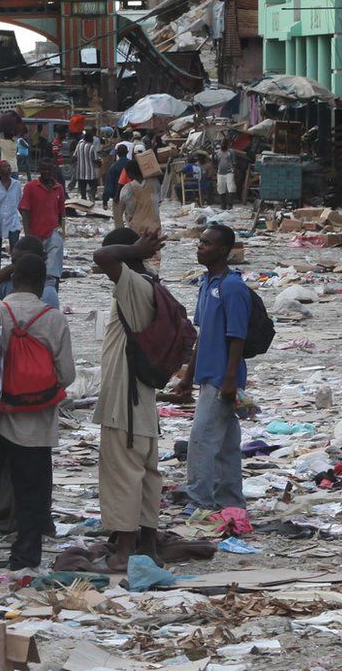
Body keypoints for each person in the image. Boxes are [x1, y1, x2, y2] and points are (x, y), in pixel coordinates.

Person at [0, 253, 73, 570]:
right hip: (35, 423)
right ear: (42, 283)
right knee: (33, 492)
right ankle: (25, 556)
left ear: (14, 279)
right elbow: (67, 375)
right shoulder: (54, 318)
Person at [93, 229, 166, 571]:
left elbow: (102, 257)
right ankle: (148, 546)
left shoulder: (134, 284)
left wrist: (131, 250)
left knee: (123, 473)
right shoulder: (148, 282)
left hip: (125, 400)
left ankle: (124, 551)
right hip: (142, 402)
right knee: (146, 474)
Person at [173, 223, 250, 513]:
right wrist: (188, 377)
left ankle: (200, 501)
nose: (200, 247)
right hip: (208, 374)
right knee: (227, 444)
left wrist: (229, 379)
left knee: (201, 442)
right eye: (200, 242)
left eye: (206, 243)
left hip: (222, 378)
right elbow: (204, 333)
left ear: (223, 250)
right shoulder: (206, 283)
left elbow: (237, 336)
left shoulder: (233, 287)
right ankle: (230, 501)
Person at [19, 158, 68, 304]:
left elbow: (61, 213)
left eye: (48, 170)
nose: (46, 173)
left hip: (53, 232)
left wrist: (61, 231)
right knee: (35, 269)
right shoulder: (31, 187)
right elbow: (25, 211)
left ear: (53, 170)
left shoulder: (58, 188)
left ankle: (53, 298)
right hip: (35, 235)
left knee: (53, 271)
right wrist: (28, 234)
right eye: (43, 170)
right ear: (39, 171)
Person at [117, 158, 161, 237]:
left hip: (137, 228)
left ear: (129, 173)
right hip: (155, 227)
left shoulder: (128, 188)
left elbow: (124, 208)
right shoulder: (154, 183)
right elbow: (158, 201)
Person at [102, 143, 131, 212]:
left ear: (117, 154)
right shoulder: (132, 164)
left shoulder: (113, 167)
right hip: (132, 195)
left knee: (118, 220)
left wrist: (105, 200)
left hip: (117, 197)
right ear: (127, 152)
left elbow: (109, 185)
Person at [72, 133, 100, 202]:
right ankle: (91, 195)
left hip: (80, 172)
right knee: (94, 185)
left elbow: (74, 157)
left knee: (83, 189)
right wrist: (99, 163)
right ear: (90, 139)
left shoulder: (78, 146)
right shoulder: (92, 147)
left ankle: (84, 201)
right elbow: (96, 160)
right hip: (90, 172)